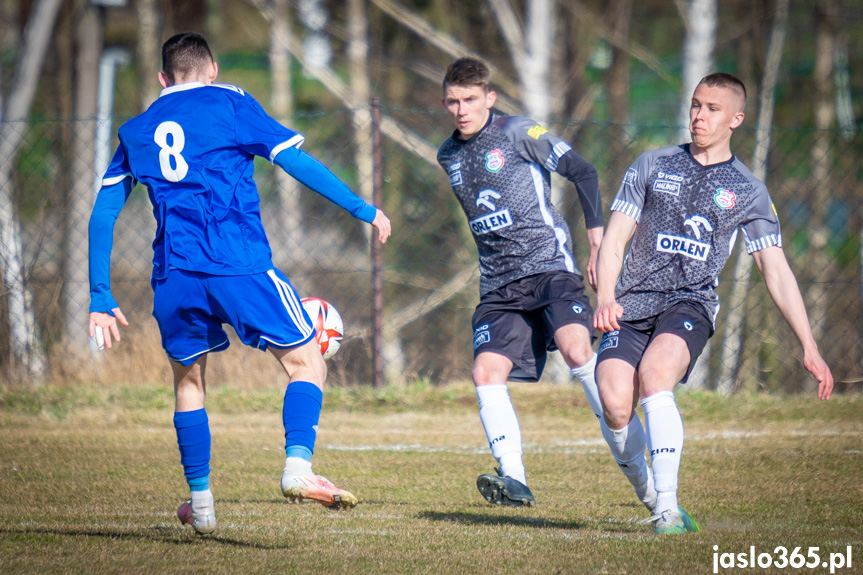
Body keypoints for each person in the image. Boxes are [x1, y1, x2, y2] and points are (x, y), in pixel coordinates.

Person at [88, 32, 391, 535]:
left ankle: (202, 505)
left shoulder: (135, 129)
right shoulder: (230, 101)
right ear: (212, 69)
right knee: (306, 361)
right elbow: (293, 161)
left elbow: (103, 214)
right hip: (237, 263)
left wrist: (100, 294)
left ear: (163, 79)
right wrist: (363, 209)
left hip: (174, 276)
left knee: (188, 382)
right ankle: (298, 469)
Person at [593, 72, 834, 534]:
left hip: (690, 305)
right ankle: (653, 498)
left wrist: (809, 344)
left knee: (656, 376)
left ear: (736, 120)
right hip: (630, 303)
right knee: (615, 403)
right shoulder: (651, 164)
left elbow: (775, 269)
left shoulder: (748, 189)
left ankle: (667, 509)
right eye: (696, 105)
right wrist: (605, 297)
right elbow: (616, 238)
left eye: (712, 109)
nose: (699, 116)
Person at [437, 57, 604, 507]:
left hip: (549, 267)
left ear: (489, 98)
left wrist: (596, 233)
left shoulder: (518, 132)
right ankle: (513, 480)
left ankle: (629, 439)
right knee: (485, 373)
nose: (461, 109)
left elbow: (583, 171)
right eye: (453, 101)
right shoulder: (447, 155)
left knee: (576, 350)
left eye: (470, 99)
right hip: (498, 285)